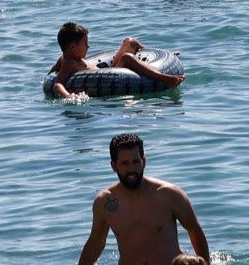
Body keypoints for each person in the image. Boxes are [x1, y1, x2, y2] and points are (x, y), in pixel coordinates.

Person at [75, 132, 207, 265]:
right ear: (114, 166)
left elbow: (194, 230)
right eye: (125, 163)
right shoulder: (104, 202)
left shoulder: (168, 194)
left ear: (143, 162)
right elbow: (96, 241)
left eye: (136, 162)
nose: (131, 169)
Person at [50, 27, 186, 103]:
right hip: (115, 75)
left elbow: (51, 73)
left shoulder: (65, 58)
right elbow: (57, 83)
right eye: (85, 44)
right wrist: (68, 96)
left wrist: (47, 77)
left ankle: (158, 54)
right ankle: (165, 78)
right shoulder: (68, 63)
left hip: (111, 70)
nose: (88, 46)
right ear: (73, 47)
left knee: (129, 41)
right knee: (127, 57)